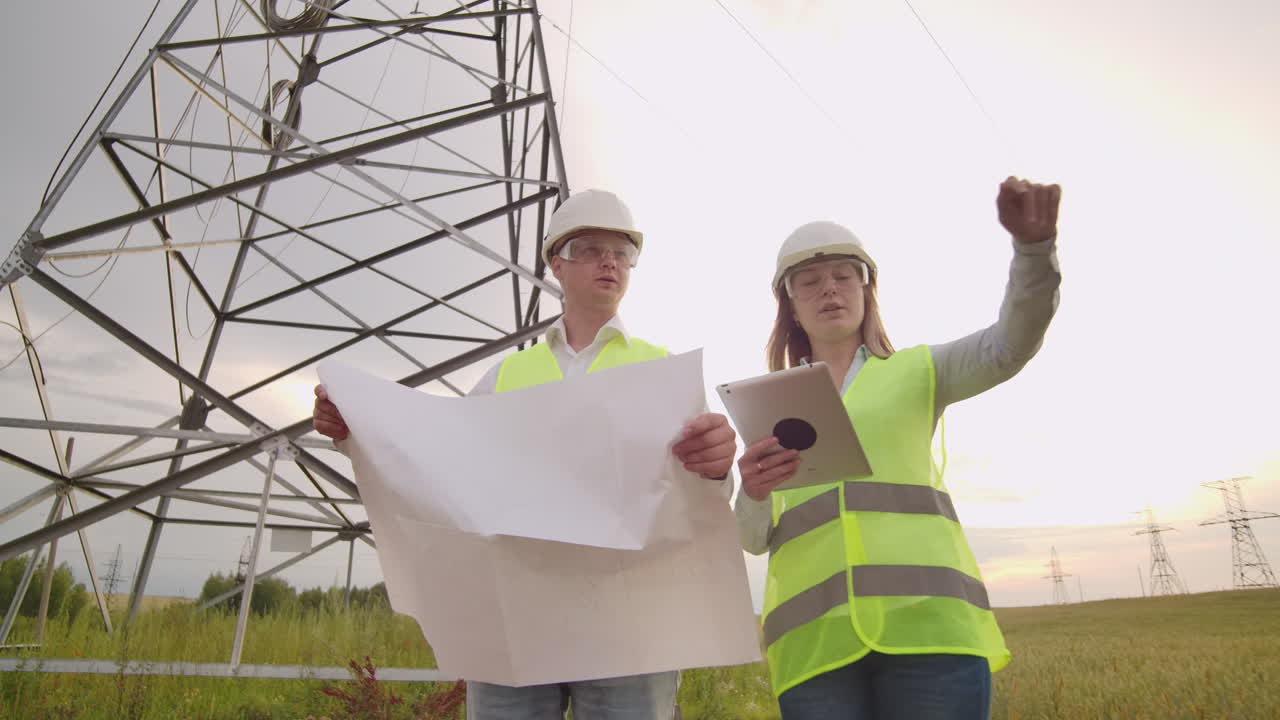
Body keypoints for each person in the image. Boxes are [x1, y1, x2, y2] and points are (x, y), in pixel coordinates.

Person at [313, 188, 737, 720]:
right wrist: (358, 427)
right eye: (589, 248)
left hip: (629, 624)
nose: (609, 261)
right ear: (556, 263)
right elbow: (439, 467)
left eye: (622, 252)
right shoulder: (506, 377)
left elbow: (706, 491)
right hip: (517, 618)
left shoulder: (662, 372)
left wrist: (720, 467)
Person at [735, 177, 1062, 720]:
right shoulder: (769, 402)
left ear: (867, 292)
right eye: (809, 282)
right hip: (815, 651)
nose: (830, 290)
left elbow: (1013, 341)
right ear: (790, 305)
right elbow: (752, 538)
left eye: (845, 276)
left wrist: (1033, 252)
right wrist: (751, 491)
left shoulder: (921, 370)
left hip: (930, 633)